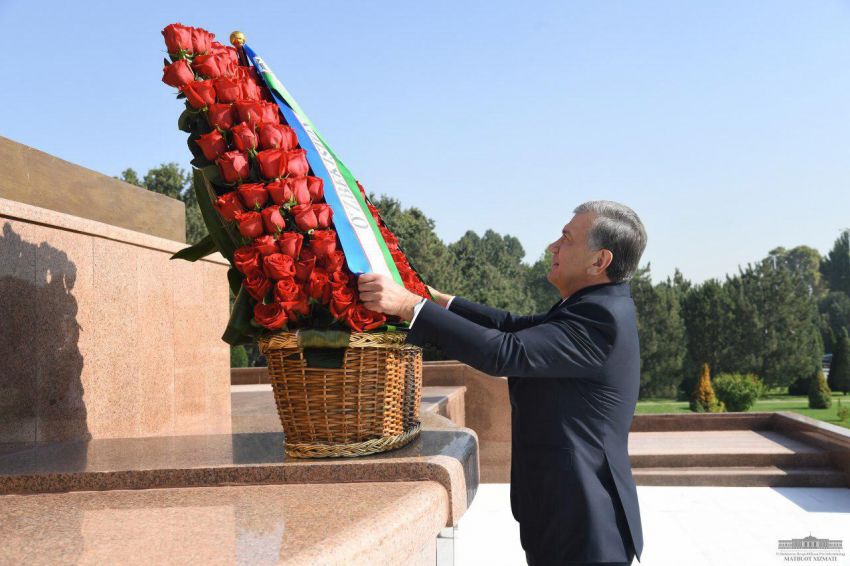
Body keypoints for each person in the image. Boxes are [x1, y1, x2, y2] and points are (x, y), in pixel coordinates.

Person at [357, 200, 647, 566]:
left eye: (567, 238)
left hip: (586, 523)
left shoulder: (600, 318)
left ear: (599, 260)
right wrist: (435, 301)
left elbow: (505, 352)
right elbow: (511, 326)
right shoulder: (593, 307)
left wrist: (410, 307)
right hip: (566, 515)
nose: (553, 246)